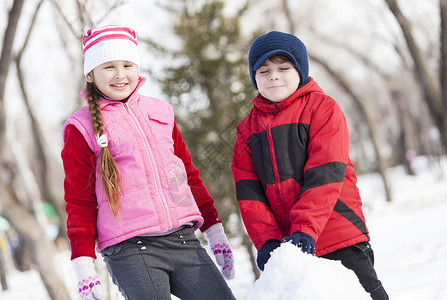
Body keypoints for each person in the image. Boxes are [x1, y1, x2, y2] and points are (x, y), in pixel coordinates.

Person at [61, 25, 235, 300]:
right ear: (91, 74)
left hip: (182, 239)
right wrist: (84, 267)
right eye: (109, 67)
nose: (120, 75)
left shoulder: (160, 112)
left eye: (127, 65)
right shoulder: (80, 128)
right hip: (130, 249)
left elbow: (187, 175)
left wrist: (214, 231)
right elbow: (79, 200)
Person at [231, 31, 389, 300]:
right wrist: (267, 240)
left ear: (300, 70)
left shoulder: (322, 109)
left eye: (284, 67)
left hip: (338, 235)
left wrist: (304, 229)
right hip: (290, 251)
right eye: (263, 70)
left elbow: (325, 174)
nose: (274, 76)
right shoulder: (247, 130)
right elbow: (249, 192)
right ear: (254, 77)